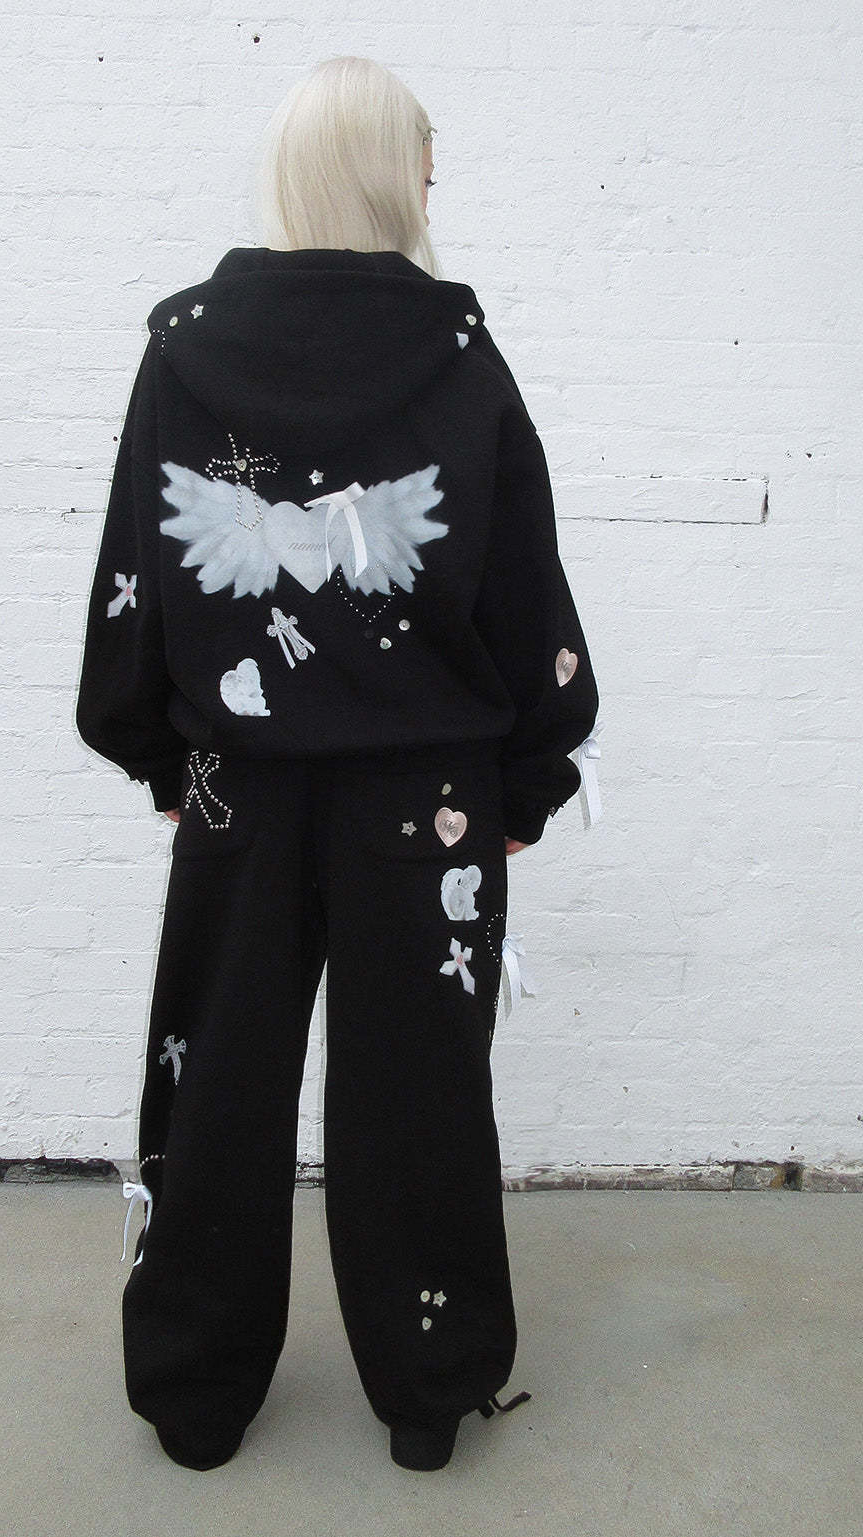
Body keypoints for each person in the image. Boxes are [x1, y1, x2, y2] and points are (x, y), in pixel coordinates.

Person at [74, 54, 599, 1473]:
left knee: (215, 1078)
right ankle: (428, 1391)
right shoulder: (461, 360)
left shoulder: (182, 352)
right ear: (384, 174)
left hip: (238, 793)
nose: (433, 186)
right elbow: (518, 582)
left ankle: (196, 1393)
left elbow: (137, 577)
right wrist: (530, 776)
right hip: (427, 805)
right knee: (419, 1092)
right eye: (424, 161)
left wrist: (154, 749)